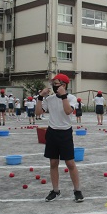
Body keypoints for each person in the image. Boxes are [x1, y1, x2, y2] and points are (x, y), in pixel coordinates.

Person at [36, 73, 84, 203]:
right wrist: (40, 97)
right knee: (53, 162)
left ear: (63, 85)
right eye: (53, 84)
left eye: (56, 84)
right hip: (52, 132)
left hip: (65, 133)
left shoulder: (71, 98)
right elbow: (38, 113)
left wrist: (63, 96)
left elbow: (68, 111)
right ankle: (55, 190)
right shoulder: (50, 99)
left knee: (70, 163)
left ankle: (77, 190)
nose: (53, 86)